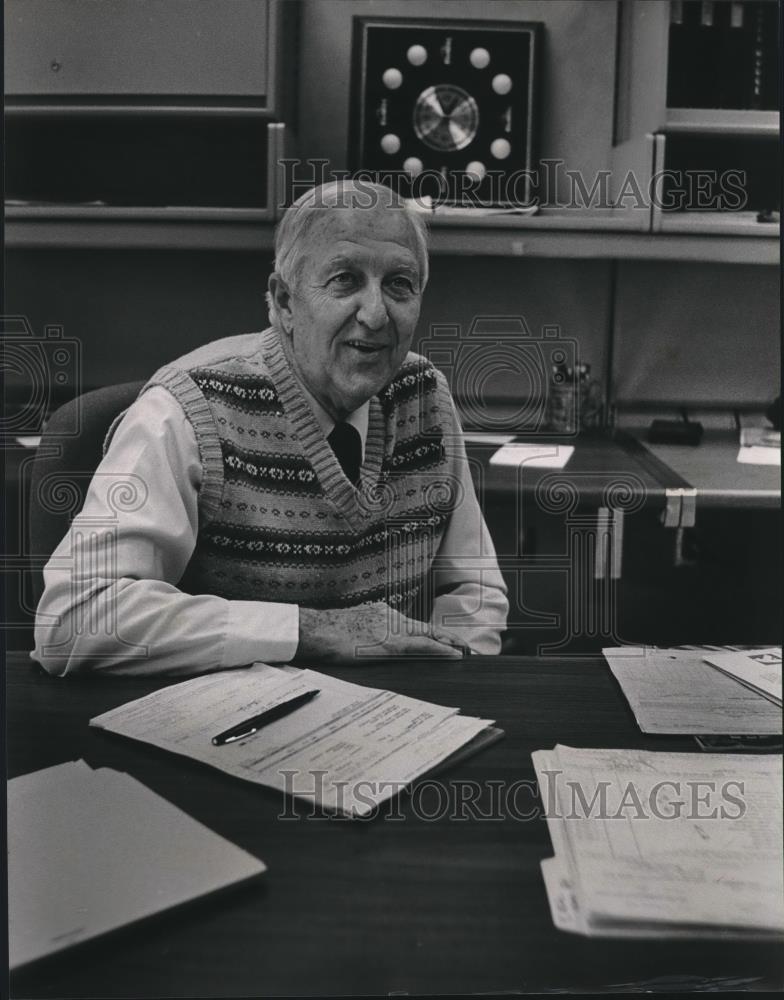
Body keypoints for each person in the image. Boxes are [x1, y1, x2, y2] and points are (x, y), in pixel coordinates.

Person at [33, 182, 508, 676]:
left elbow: (471, 589)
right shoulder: (186, 410)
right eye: (345, 280)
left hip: (390, 722)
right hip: (223, 727)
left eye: (399, 284)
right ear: (284, 302)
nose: (375, 314)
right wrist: (312, 631)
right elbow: (72, 623)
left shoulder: (425, 396)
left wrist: (456, 677)